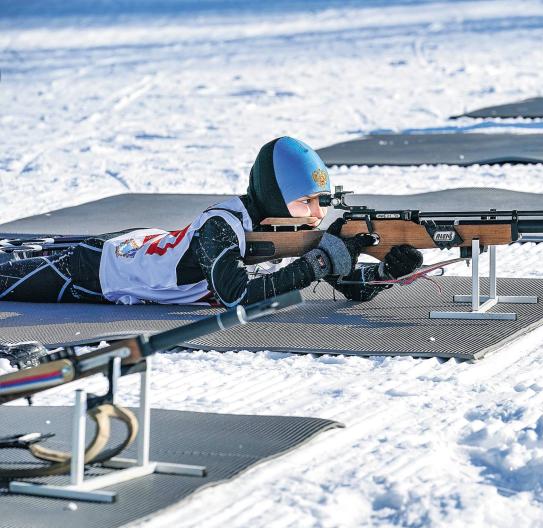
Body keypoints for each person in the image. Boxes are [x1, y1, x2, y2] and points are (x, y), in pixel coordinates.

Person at [0, 137, 423, 369]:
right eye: (306, 201)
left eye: (322, 202)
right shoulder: (222, 222)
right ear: (276, 195)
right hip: (95, 270)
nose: (316, 214)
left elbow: (349, 287)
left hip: (136, 245)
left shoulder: (288, 228)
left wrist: (386, 271)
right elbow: (234, 296)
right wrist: (320, 262)